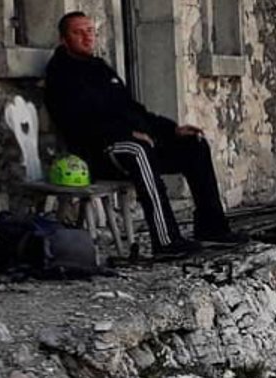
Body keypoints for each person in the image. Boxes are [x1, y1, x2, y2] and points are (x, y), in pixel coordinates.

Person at [43, 11, 248, 256]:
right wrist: (126, 133)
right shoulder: (61, 75)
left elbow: (133, 110)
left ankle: (212, 227)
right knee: (138, 150)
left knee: (194, 145)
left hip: (126, 142)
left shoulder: (99, 68)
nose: (88, 38)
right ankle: (166, 240)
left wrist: (172, 129)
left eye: (91, 31)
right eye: (79, 33)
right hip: (96, 152)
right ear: (64, 39)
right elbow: (79, 123)